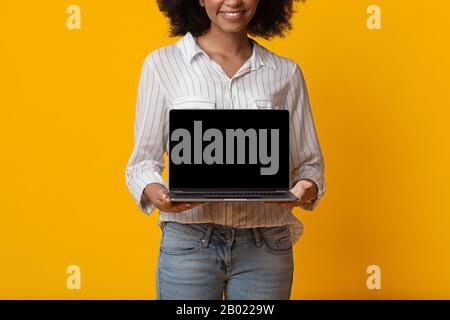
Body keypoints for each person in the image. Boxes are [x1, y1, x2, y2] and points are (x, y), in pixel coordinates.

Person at [125, 0, 325, 300]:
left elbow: (310, 166)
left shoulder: (285, 72)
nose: (233, 1)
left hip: (266, 246)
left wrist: (304, 189)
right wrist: (158, 194)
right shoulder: (161, 65)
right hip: (189, 243)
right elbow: (141, 164)